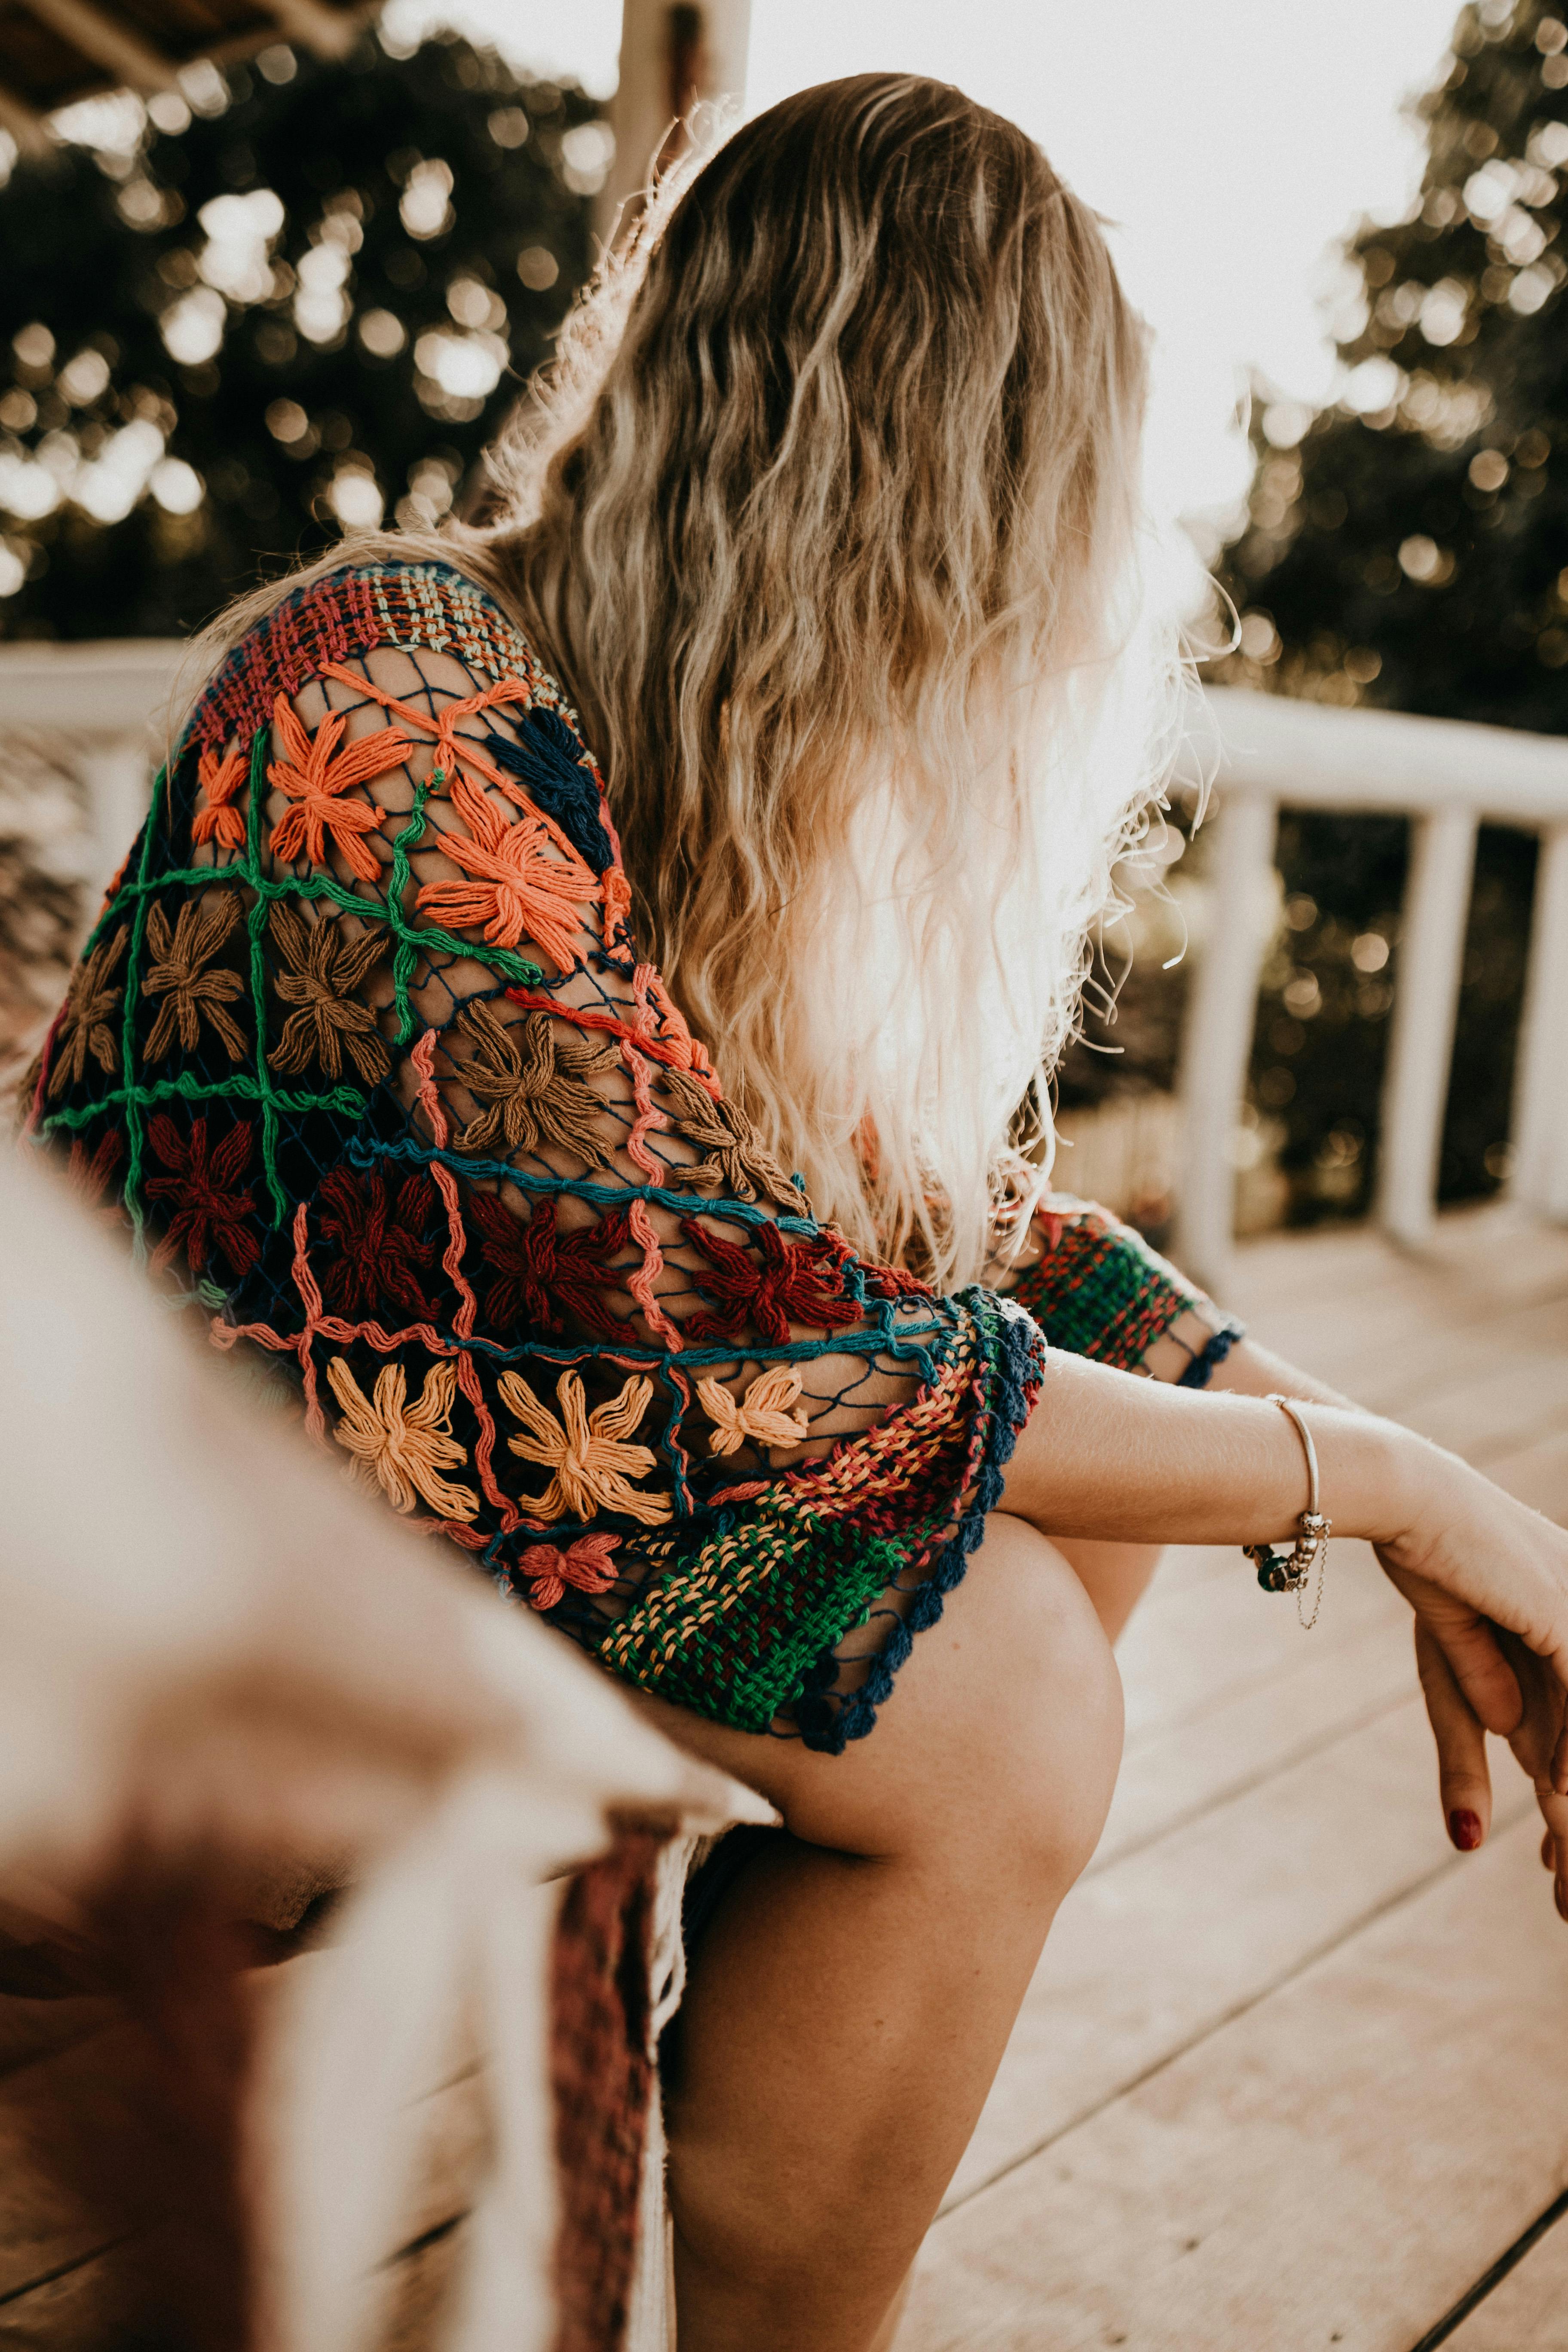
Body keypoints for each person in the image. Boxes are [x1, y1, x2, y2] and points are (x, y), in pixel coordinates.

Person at [24, 74, 1568, 2352]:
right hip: (102, 1649)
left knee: (1046, 1538)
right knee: (1001, 1678)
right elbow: (721, 1324)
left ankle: (762, 2290)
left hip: (336, 1552)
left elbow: (943, 1238)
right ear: (919, 508)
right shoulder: (388, 706)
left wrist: (1379, 1471)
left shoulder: (605, 741)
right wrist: (1406, 1488)